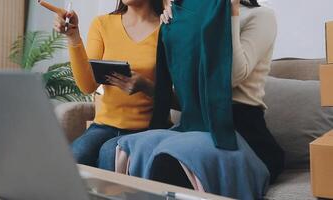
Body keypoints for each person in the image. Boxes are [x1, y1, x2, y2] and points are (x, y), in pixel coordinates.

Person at [158, 0, 285, 184]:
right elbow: (189, 86)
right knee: (124, 147)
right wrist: (174, 30)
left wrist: (232, 13)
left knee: (169, 163)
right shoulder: (197, 16)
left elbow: (231, 77)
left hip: (243, 127)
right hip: (200, 122)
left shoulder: (261, 15)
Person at [53, 0, 164, 168]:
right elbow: (87, 86)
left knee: (109, 153)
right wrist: (73, 37)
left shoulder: (167, 30)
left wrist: (145, 86)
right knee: (73, 158)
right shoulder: (102, 24)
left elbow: (183, 99)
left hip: (146, 130)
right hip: (103, 126)